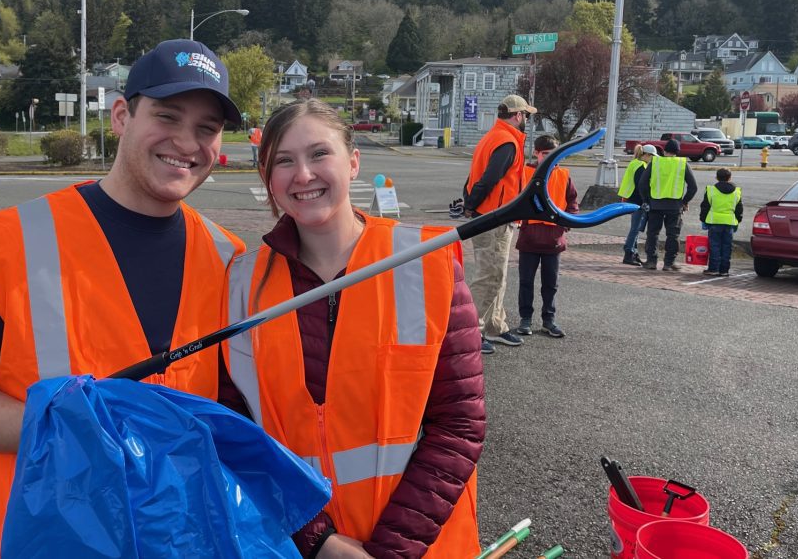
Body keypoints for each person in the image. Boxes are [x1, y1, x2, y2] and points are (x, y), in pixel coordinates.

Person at [0, 39, 247, 559]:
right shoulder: (9, 242)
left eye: (206, 128)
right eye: (168, 116)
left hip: (173, 542)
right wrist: (81, 433)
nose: (186, 142)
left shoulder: (228, 257)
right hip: (37, 541)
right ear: (121, 116)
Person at [219, 100, 485, 558]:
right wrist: (318, 540)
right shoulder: (241, 283)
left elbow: (460, 423)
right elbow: (237, 428)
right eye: (284, 161)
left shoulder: (427, 263)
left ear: (354, 162)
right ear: (268, 179)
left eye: (319, 154)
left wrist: (390, 551)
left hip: (423, 546)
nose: (303, 174)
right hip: (298, 546)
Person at [460, 94, 534, 353]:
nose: (526, 119)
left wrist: (469, 202)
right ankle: (471, 332)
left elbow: (475, 175)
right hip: (495, 217)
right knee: (490, 276)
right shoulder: (507, 141)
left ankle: (495, 326)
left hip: (491, 214)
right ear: (517, 115)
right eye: (526, 115)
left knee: (496, 275)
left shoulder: (492, 137)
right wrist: (471, 205)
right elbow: (490, 178)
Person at [513, 135, 579, 339]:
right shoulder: (525, 173)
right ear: (537, 153)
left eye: (555, 155)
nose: (552, 159)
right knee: (526, 281)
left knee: (551, 283)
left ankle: (548, 320)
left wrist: (570, 219)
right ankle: (525, 319)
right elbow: (514, 199)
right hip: (529, 237)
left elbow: (572, 201)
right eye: (547, 155)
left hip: (554, 238)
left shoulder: (564, 175)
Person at [635, 138, 697, 271]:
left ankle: (652, 261)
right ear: (677, 151)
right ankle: (669, 263)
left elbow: (642, 184)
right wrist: (684, 201)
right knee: (673, 235)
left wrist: (646, 199)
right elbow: (693, 187)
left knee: (653, 233)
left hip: (655, 204)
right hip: (674, 206)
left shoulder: (655, 162)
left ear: (665, 150)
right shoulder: (682, 163)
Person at [699, 168, 743, 277]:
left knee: (714, 246)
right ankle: (724, 270)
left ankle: (713, 269)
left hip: (714, 222)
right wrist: (738, 219)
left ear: (716, 177)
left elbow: (705, 206)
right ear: (730, 178)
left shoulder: (711, 190)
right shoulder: (737, 191)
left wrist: (703, 219)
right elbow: (739, 209)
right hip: (729, 223)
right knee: (727, 247)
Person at [618, 144, 656, 265]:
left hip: (630, 198)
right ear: (647, 155)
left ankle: (634, 253)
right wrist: (646, 200)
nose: (652, 159)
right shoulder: (642, 166)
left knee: (636, 228)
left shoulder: (634, 162)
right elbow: (641, 186)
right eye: (652, 156)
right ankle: (629, 253)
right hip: (637, 200)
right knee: (635, 228)